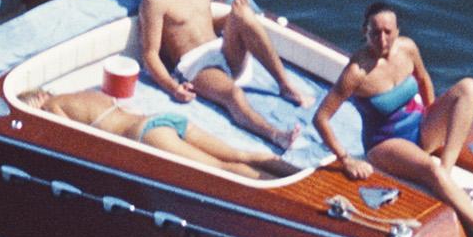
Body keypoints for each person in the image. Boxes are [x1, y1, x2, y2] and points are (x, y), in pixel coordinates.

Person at [308, 1, 473, 237]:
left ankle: (446, 174)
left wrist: (432, 114)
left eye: (388, 32)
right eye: (375, 33)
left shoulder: (407, 48)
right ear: (364, 32)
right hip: (386, 144)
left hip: (420, 127)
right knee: (431, 169)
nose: (382, 39)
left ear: (397, 31)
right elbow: (321, 118)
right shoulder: (357, 72)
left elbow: (423, 79)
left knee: (469, 87)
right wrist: (346, 159)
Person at [137, 0, 308, 145]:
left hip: (220, 50)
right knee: (234, 95)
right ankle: (276, 135)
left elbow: (202, 20)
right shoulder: (155, 0)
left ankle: (285, 85)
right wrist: (172, 87)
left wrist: (235, 13)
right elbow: (149, 54)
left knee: (244, 13)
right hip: (196, 68)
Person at [34, 83, 292, 180]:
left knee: (219, 168)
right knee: (239, 154)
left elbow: (63, 137)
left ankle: (281, 194)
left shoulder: (52, 105)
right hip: (161, 119)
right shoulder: (86, 92)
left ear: (39, 97)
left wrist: (39, 113)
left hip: (145, 133)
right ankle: (295, 175)